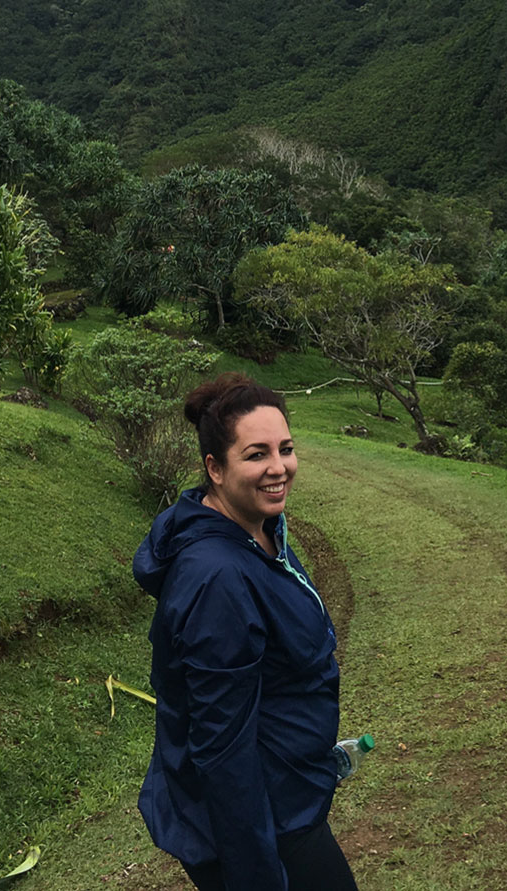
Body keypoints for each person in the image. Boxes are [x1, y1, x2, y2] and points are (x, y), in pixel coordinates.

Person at [133, 372, 360, 891]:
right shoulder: (217, 579)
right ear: (215, 468)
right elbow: (222, 747)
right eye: (256, 454)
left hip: (287, 785)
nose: (278, 468)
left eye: (285, 448)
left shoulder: (260, 529)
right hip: (259, 814)